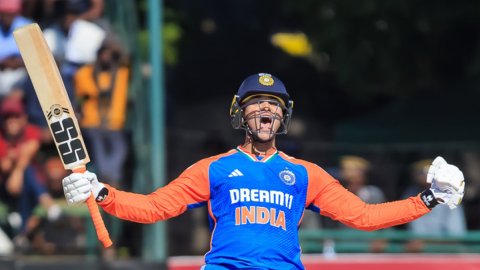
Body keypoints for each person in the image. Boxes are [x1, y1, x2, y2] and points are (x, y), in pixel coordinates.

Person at [62, 73, 465, 269]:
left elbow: (364, 217)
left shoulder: (306, 174)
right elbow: (154, 208)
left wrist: (428, 199)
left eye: (274, 103)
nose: (266, 108)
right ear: (241, 114)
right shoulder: (214, 167)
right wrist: (101, 193)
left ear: (283, 116)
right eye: (256, 102)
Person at [403, 159, 467, 252]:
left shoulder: (451, 197)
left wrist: (426, 244)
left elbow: (456, 237)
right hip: (415, 253)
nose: (423, 177)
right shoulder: (410, 193)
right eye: (419, 173)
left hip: (443, 254)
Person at [0, 0, 31, 98]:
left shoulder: (27, 26)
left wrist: (17, 63)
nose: (7, 17)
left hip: (21, 73)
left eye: (11, 13)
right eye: (4, 13)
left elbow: (34, 57)